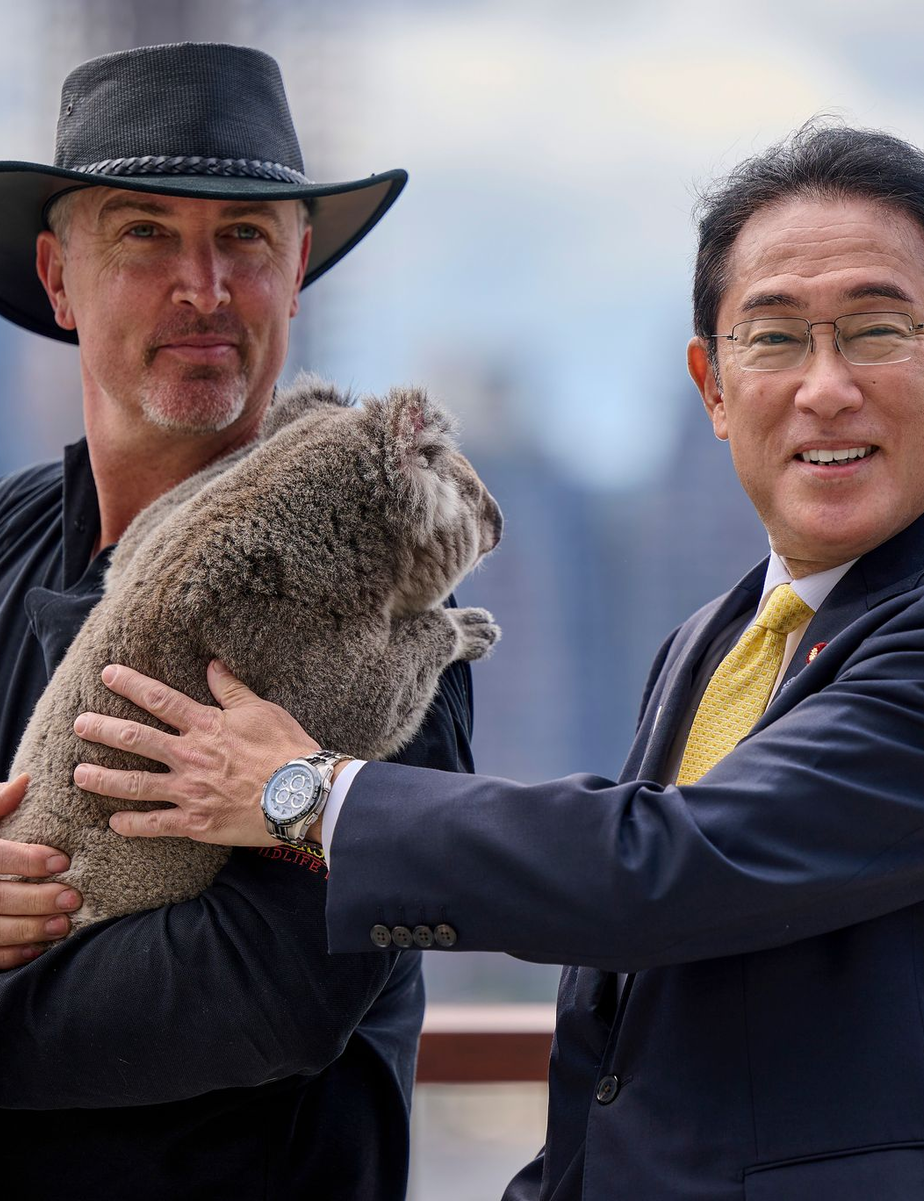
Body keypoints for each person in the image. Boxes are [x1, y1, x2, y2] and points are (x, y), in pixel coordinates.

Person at [68, 123, 924, 1199]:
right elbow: (626, 1037)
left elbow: (670, 869)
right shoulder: (712, 640)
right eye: (774, 338)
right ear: (712, 388)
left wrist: (308, 793)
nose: (825, 386)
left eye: (876, 329)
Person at [0, 43, 477, 1201]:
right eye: (146, 235)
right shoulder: (10, 539)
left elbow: (261, 995)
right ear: (60, 279)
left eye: (247, 239)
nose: (204, 287)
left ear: (299, 268)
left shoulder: (381, 576)